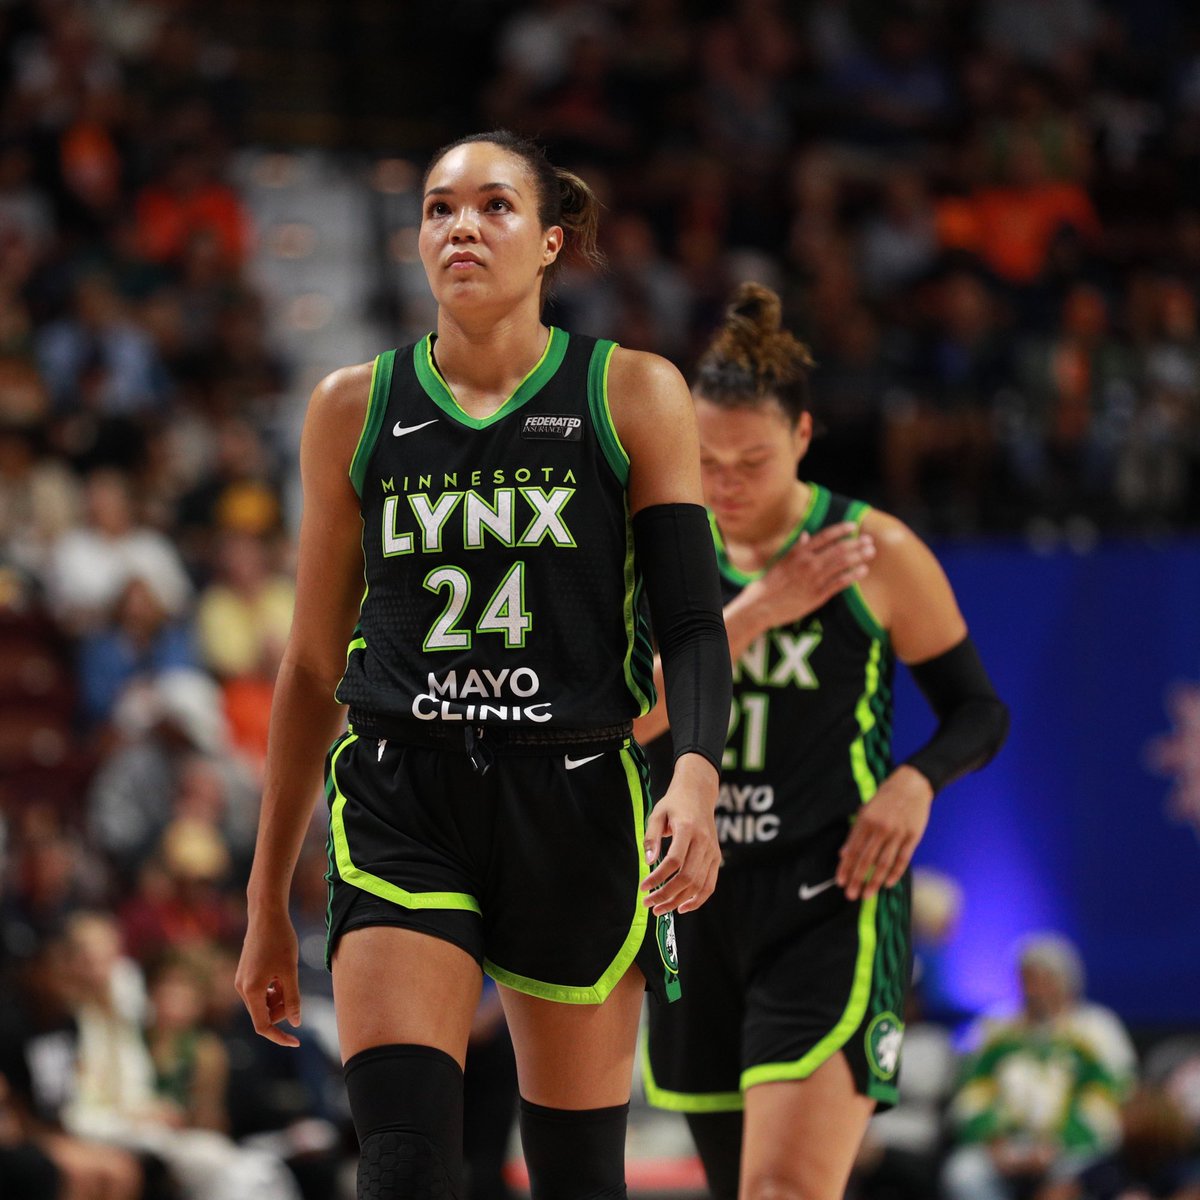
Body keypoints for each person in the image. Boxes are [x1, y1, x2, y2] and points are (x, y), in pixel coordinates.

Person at [235, 129, 733, 1200]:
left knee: (574, 1177)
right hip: (403, 793)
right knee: (407, 1164)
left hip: (578, 795)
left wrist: (695, 774)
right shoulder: (351, 408)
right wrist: (266, 893)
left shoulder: (632, 392)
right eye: (439, 208)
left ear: (551, 241)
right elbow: (316, 659)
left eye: (495, 206)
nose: (462, 225)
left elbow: (694, 623)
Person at [640, 282, 1009, 1200]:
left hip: (828, 893)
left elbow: (978, 710)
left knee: (785, 1192)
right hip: (690, 901)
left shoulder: (870, 548)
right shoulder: (651, 550)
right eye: (705, 460)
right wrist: (763, 609)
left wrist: (917, 780)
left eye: (750, 461)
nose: (723, 483)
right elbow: (625, 715)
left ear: (803, 437)